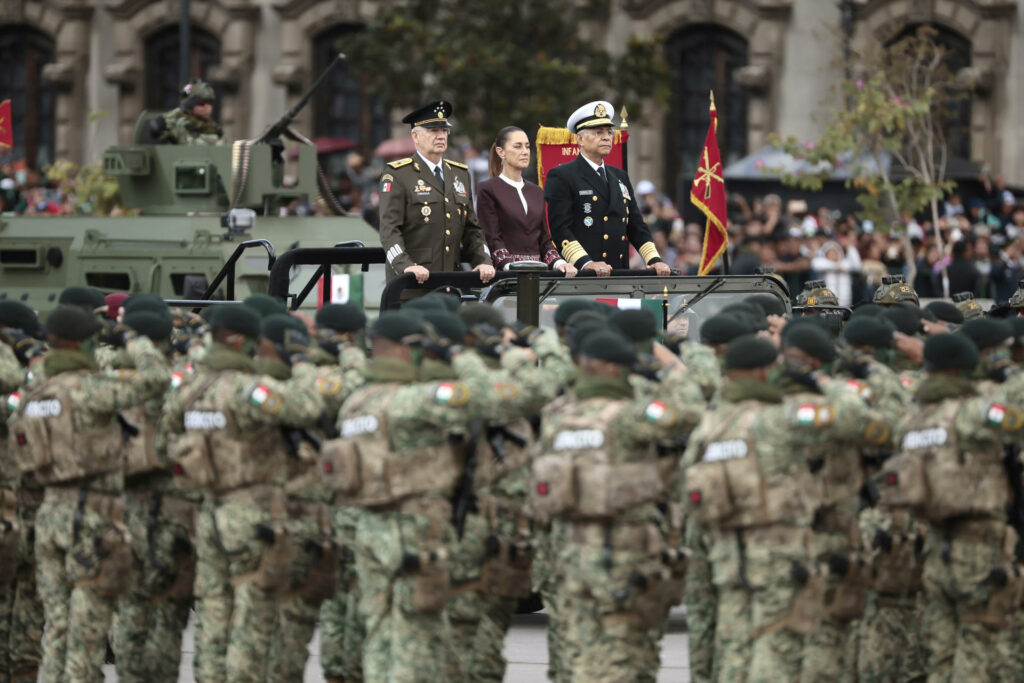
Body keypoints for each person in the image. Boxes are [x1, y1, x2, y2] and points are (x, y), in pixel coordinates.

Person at [160, 304, 324, 682]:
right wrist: (300, 361)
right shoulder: (248, 390)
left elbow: (161, 443)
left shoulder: (189, 388)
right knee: (251, 619)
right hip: (251, 516)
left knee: (213, 617)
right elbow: (307, 405)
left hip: (207, 513)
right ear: (239, 340)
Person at [13, 306, 171, 681]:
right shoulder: (90, 389)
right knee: (87, 631)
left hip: (49, 512)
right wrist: (135, 341)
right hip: (91, 516)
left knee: (57, 627)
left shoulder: (35, 392)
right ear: (82, 343)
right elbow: (157, 379)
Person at [544, 101, 670, 277]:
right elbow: (560, 229)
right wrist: (586, 263)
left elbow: (636, 225)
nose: (606, 137)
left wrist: (654, 259)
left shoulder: (620, 176)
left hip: (619, 274)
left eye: (609, 132)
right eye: (598, 132)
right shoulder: (562, 175)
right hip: (584, 276)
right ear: (580, 139)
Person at [378, 100, 495, 286]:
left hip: (449, 285)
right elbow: (389, 230)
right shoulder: (398, 175)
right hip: (411, 286)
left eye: (444, 130)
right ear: (415, 136)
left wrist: (483, 261)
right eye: (433, 130)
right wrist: (405, 266)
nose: (441, 136)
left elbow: (472, 229)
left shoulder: (459, 174)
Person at [476, 126, 577, 276]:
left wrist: (560, 263)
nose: (525, 151)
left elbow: (544, 239)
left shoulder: (536, 191)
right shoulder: (488, 189)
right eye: (517, 146)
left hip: (538, 275)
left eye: (527, 146)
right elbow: (492, 237)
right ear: (500, 152)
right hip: (505, 276)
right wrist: (510, 266)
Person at [151, 79, 225, 146]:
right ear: (190, 105)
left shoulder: (214, 128)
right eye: (201, 104)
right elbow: (156, 128)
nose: (207, 107)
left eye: (210, 103)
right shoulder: (178, 124)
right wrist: (182, 109)